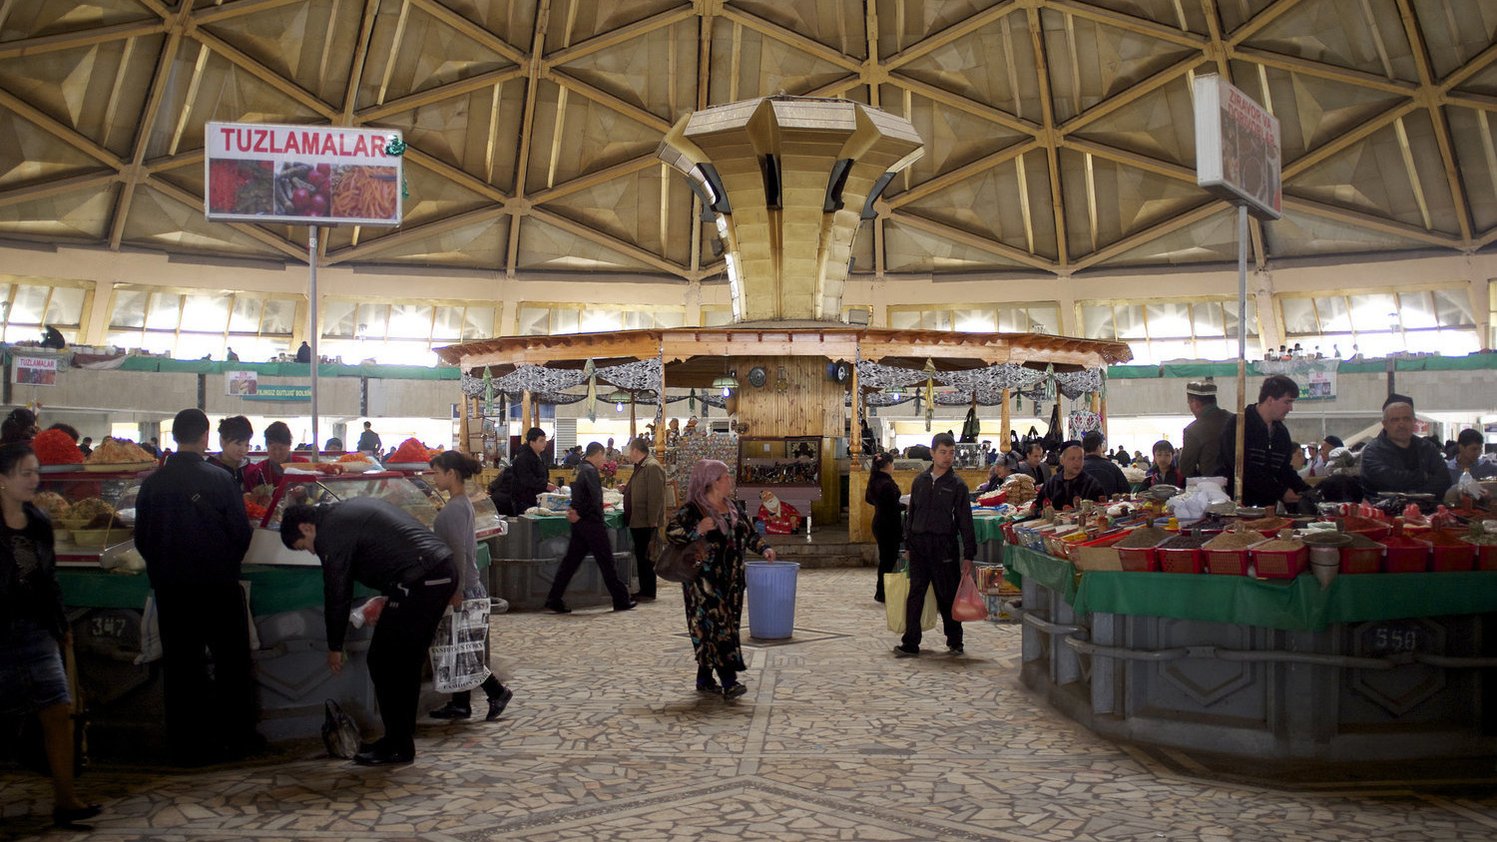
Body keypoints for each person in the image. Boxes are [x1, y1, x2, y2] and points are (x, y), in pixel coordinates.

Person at [281, 497, 457, 766]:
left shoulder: (329, 532)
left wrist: (334, 646)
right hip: (436, 572)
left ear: (306, 528)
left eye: (304, 546)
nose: (310, 552)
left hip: (423, 579)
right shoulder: (340, 513)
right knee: (405, 661)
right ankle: (400, 739)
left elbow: (337, 592)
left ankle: (398, 745)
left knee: (384, 661)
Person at [133, 409, 259, 766]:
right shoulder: (220, 480)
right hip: (218, 585)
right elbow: (241, 533)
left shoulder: (152, 483)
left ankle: (187, 746)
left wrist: (164, 569)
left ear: (175, 437)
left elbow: (142, 538)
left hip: (172, 590)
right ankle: (237, 739)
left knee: (182, 667)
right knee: (231, 664)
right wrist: (224, 565)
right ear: (206, 436)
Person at [0, 442, 102, 829]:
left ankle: (66, 797)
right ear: (3, 480)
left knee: (58, 709)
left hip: (35, 627)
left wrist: (60, 626)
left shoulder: (40, 522)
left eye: (36, 471)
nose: (34, 479)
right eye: (25, 472)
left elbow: (48, 578)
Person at [664, 458, 776, 697]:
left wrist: (764, 548)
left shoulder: (734, 507)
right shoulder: (693, 510)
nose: (729, 481)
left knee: (720, 628)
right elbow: (671, 532)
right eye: (725, 477)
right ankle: (729, 680)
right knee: (718, 627)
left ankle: (704, 678)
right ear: (712, 482)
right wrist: (698, 530)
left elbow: (749, 534)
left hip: (732, 581)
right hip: (703, 583)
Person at [425, 451, 515, 723]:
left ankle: (497, 691)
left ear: (451, 474)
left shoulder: (454, 508)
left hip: (462, 588)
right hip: (466, 585)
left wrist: (457, 589)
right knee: (458, 646)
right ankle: (460, 703)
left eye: (437, 473)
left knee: (462, 650)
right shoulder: (461, 503)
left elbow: (458, 552)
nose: (434, 478)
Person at [893, 433, 976, 658]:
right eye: (943, 452)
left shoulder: (957, 485)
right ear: (932, 453)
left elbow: (965, 521)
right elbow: (912, 515)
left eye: (951, 453)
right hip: (919, 546)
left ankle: (955, 640)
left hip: (944, 547)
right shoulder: (919, 481)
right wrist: (908, 544)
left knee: (946, 595)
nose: (947, 457)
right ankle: (910, 642)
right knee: (915, 594)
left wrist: (969, 555)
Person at [543, 442, 634, 614]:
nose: (604, 460)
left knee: (570, 563)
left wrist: (575, 511)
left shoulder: (580, 469)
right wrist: (585, 513)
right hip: (592, 524)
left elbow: (576, 494)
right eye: (604, 456)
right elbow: (593, 498)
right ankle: (621, 599)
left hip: (580, 523)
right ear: (598, 453)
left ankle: (554, 598)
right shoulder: (590, 471)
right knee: (606, 561)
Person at [1219, 375, 1311, 508]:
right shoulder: (1238, 426)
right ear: (1270, 400)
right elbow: (1242, 469)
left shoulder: (1281, 433)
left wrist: (1305, 490)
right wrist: (1280, 491)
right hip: (1236, 506)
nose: (1290, 408)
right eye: (1287, 402)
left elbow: (1284, 470)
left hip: (1267, 509)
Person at [1360, 394, 1453, 499]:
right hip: (1383, 511)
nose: (1401, 424)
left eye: (1406, 419)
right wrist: (1424, 477)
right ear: (1385, 424)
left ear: (1414, 422)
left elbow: (1444, 481)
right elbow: (1386, 481)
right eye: (1395, 420)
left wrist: (1413, 495)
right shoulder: (1372, 451)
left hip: (1427, 510)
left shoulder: (1428, 448)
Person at [623, 437, 666, 602]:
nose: (629, 454)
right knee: (641, 557)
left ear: (635, 450)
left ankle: (648, 591)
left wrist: (653, 521)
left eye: (630, 451)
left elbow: (655, 496)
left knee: (647, 558)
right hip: (638, 520)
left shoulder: (652, 467)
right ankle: (644, 588)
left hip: (645, 522)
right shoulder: (641, 466)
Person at [865, 452, 904, 603]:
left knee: (885, 559)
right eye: (893, 463)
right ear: (888, 465)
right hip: (888, 525)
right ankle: (882, 592)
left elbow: (869, 499)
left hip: (880, 522)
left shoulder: (875, 480)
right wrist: (906, 506)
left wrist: (880, 505)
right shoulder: (886, 484)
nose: (893, 466)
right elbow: (892, 506)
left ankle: (882, 591)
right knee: (888, 560)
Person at [1179, 379, 1233, 478]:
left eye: (1189, 403)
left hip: (1213, 488)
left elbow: (1186, 469)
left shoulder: (1193, 430)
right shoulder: (1235, 421)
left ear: (1195, 403)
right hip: (1242, 487)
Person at [496, 427, 555, 515]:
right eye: (541, 440)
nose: (545, 443)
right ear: (532, 442)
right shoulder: (523, 458)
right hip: (524, 501)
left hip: (537, 499)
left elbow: (542, 476)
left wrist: (549, 485)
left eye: (545, 440)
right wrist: (545, 485)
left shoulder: (540, 456)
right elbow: (527, 479)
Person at [241, 420, 309, 491]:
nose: (277, 453)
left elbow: (314, 492)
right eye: (273, 448)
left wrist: (304, 491)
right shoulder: (258, 470)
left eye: (281, 448)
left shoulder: (303, 465)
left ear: (289, 446)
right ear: (266, 446)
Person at [1037, 443, 1104, 509]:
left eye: (1080, 458)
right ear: (1062, 461)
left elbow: (1101, 508)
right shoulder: (1051, 484)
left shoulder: (1092, 484)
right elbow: (1038, 507)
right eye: (1072, 458)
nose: (1077, 462)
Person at [207, 415, 253, 488]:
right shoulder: (209, 469)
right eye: (238, 444)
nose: (243, 449)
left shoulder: (253, 470)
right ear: (223, 442)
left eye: (247, 445)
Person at [1080, 431, 1130, 497]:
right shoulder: (1112, 467)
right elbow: (1126, 491)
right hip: (1109, 506)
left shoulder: (1077, 468)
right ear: (1099, 446)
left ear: (1083, 448)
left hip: (1084, 506)